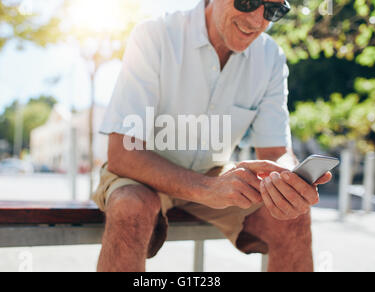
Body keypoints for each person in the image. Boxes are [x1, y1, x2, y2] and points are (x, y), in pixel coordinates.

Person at [93, 0, 332, 272]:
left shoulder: (270, 57)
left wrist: (288, 181)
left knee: (294, 216)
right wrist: (205, 189)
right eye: (248, 1)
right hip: (141, 176)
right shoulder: (154, 35)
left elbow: (276, 152)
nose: (256, 20)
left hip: (212, 174)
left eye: (273, 10)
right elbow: (123, 153)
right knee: (130, 207)